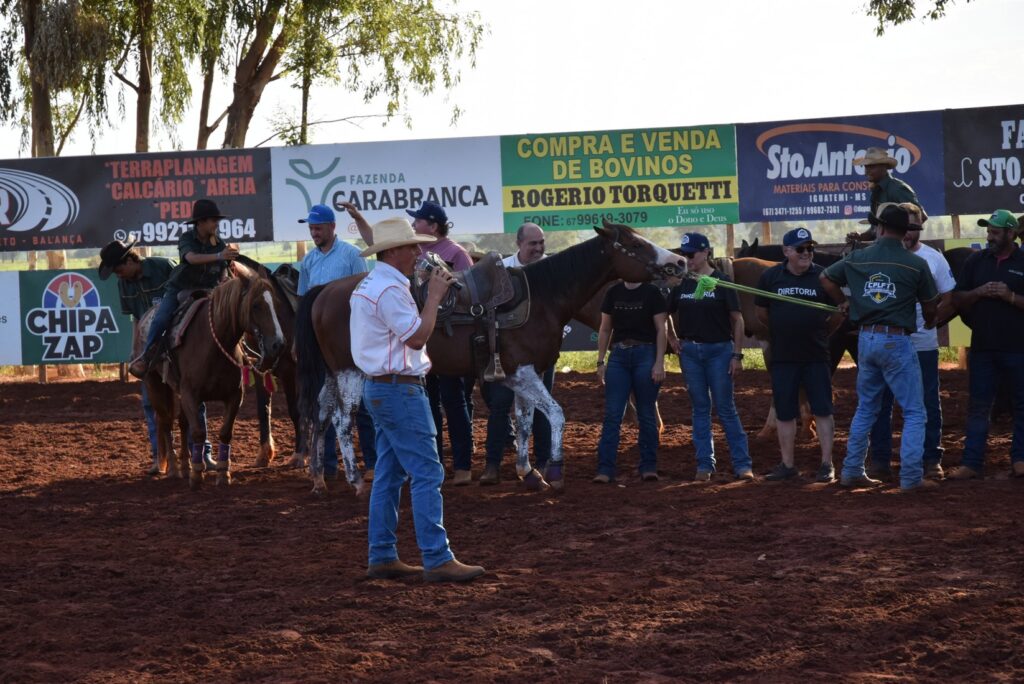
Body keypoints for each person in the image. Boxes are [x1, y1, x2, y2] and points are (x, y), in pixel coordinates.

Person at [351, 216, 485, 583]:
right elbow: (416, 337)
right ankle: (437, 557)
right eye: (412, 246)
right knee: (427, 471)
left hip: (381, 387)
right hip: (399, 388)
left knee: (390, 475)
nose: (418, 251)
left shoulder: (372, 285)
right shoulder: (391, 290)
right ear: (393, 251)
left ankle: (382, 555)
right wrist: (437, 297)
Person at [820, 203, 939, 492]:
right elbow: (932, 307)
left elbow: (826, 277)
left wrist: (843, 303)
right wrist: (929, 319)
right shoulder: (916, 263)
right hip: (896, 339)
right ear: (904, 232)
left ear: (880, 228)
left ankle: (851, 471)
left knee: (866, 408)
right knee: (913, 411)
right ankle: (911, 477)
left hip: (866, 338)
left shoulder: (859, 257)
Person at [868, 203, 956, 481]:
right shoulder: (882, 256)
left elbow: (949, 297)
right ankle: (880, 459)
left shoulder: (934, 259)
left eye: (911, 227)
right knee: (883, 401)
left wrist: (931, 323)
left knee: (928, 400)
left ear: (918, 228)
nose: (906, 232)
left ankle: (931, 458)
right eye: (902, 227)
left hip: (921, 343)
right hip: (890, 340)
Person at [297, 203, 376, 481]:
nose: (314, 232)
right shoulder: (308, 261)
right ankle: (329, 465)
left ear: (332, 227)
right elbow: (303, 302)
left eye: (318, 227)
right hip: (321, 340)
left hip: (350, 338)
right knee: (325, 403)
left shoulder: (352, 255)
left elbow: (364, 291)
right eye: (311, 228)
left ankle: (372, 463)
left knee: (362, 402)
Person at [667, 232, 753, 481]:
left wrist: (737, 354)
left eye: (691, 254)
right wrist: (673, 339)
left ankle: (742, 464)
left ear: (705, 253)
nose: (687, 259)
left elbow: (737, 320)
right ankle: (705, 464)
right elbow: (665, 314)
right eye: (684, 254)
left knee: (726, 408)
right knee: (700, 409)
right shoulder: (681, 283)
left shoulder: (723, 281)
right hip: (691, 352)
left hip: (719, 350)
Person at [756, 228, 839, 483]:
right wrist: (783, 330)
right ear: (786, 251)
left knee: (823, 409)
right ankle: (787, 464)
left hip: (816, 354)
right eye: (801, 249)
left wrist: (822, 333)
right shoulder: (771, 277)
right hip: (783, 355)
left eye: (810, 248)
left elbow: (838, 312)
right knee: (785, 411)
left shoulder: (823, 277)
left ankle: (827, 464)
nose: (807, 253)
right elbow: (762, 313)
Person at [949, 209, 1024, 480]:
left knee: (1021, 404)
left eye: (995, 231)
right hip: (982, 347)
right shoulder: (975, 261)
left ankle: (1020, 460)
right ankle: (972, 463)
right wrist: (978, 292)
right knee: (979, 406)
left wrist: (1010, 296)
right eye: (988, 231)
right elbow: (957, 299)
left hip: (1018, 347)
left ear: (1011, 233)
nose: (989, 236)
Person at [406, 201, 476, 485]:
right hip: (423, 341)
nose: (413, 226)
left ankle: (463, 465)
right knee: (429, 404)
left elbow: (471, 295)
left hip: (449, 341)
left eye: (418, 221)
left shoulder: (457, 255)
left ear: (432, 226)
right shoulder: (415, 253)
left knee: (453, 400)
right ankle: (436, 462)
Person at [479, 222, 555, 485]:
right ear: (519, 244)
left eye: (541, 242)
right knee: (499, 406)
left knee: (543, 406)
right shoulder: (503, 270)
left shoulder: (553, 270)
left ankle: (543, 462)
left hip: (541, 354)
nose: (538, 248)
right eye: (532, 243)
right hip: (507, 354)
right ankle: (492, 465)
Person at [128, 199, 238, 378]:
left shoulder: (218, 242)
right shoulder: (187, 238)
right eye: (213, 220)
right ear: (201, 222)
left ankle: (240, 355)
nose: (217, 224)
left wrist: (224, 278)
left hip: (209, 290)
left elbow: (223, 267)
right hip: (180, 289)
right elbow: (191, 258)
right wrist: (219, 255)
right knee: (161, 318)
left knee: (230, 317)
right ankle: (146, 356)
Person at [98, 238, 176, 474]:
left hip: (177, 341)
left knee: (190, 397)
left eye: (119, 269)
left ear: (131, 260)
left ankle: (202, 453)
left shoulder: (164, 267)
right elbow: (135, 318)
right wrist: (135, 350)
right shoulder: (124, 284)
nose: (118, 275)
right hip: (150, 348)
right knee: (150, 402)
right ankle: (158, 457)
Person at [593, 280, 668, 483]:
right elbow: (605, 328)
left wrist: (659, 362)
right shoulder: (613, 292)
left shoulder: (652, 292)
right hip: (618, 355)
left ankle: (649, 466)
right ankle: (605, 469)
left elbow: (662, 328)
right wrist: (601, 361)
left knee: (646, 414)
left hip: (646, 354)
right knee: (612, 415)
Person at [846, 147, 924, 243]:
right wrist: (860, 237)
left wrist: (902, 240)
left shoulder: (897, 189)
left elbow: (921, 217)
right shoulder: (876, 192)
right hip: (883, 249)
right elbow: (876, 229)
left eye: (872, 167)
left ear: (884, 167)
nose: (867, 171)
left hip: (899, 251)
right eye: (866, 167)